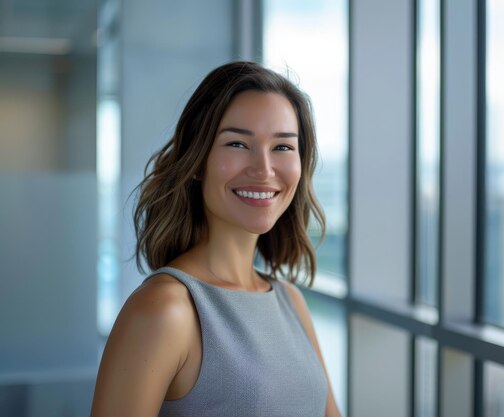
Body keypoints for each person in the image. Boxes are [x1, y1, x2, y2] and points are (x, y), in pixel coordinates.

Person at [90, 61, 341, 417]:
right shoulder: (165, 310)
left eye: (283, 147)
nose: (264, 169)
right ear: (197, 161)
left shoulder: (291, 301)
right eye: (238, 143)